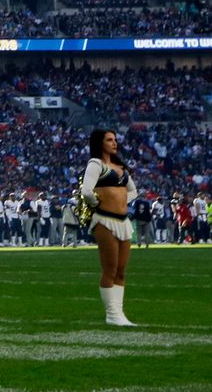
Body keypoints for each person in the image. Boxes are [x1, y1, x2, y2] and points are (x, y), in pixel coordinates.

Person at [79, 128, 137, 326]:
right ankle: (112, 314)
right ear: (99, 143)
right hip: (104, 220)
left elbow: (134, 192)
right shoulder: (96, 164)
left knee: (121, 270)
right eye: (109, 140)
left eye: (115, 140)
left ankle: (119, 314)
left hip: (123, 221)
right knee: (110, 269)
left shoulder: (120, 167)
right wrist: (97, 204)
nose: (114, 143)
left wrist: (121, 199)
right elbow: (86, 191)